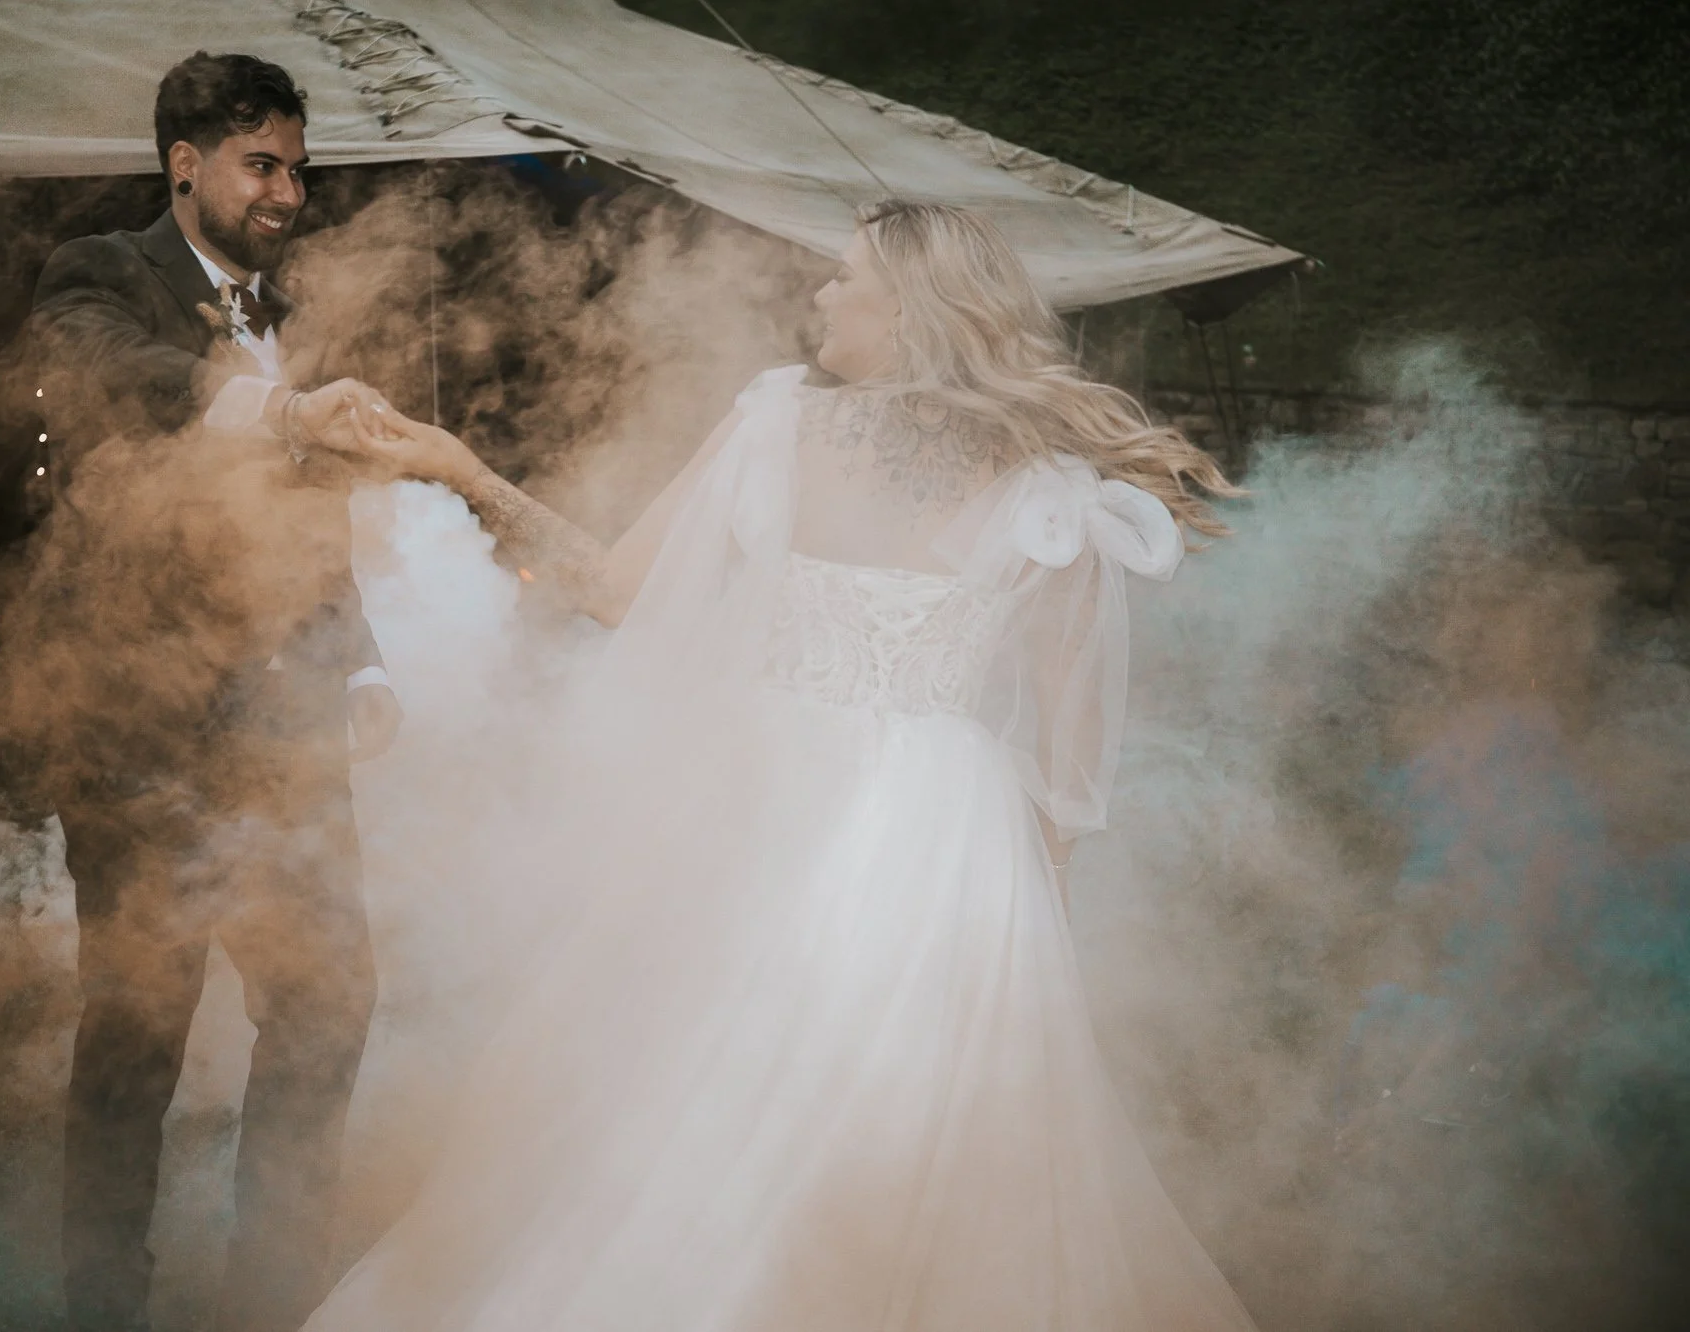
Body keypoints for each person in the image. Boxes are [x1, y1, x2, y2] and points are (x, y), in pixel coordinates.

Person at [308, 200, 1261, 1329]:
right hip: (942, 835)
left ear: (903, 310)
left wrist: (464, 468)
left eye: (841, 278)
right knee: (877, 1124)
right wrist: (1028, 906)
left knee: (721, 1109)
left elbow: (610, 589)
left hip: (779, 797)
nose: (818, 294)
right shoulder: (1041, 476)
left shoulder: (780, 418)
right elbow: (1064, 763)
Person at [16, 52, 398, 1332]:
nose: (289, 191)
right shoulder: (99, 274)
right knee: (137, 1039)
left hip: (289, 737)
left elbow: (315, 515)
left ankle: (275, 1292)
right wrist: (268, 409)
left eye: (298, 166)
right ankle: (101, 1305)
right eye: (262, 165)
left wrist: (360, 661)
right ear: (185, 165)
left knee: (331, 997)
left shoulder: (291, 310)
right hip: (140, 729)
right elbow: (105, 379)